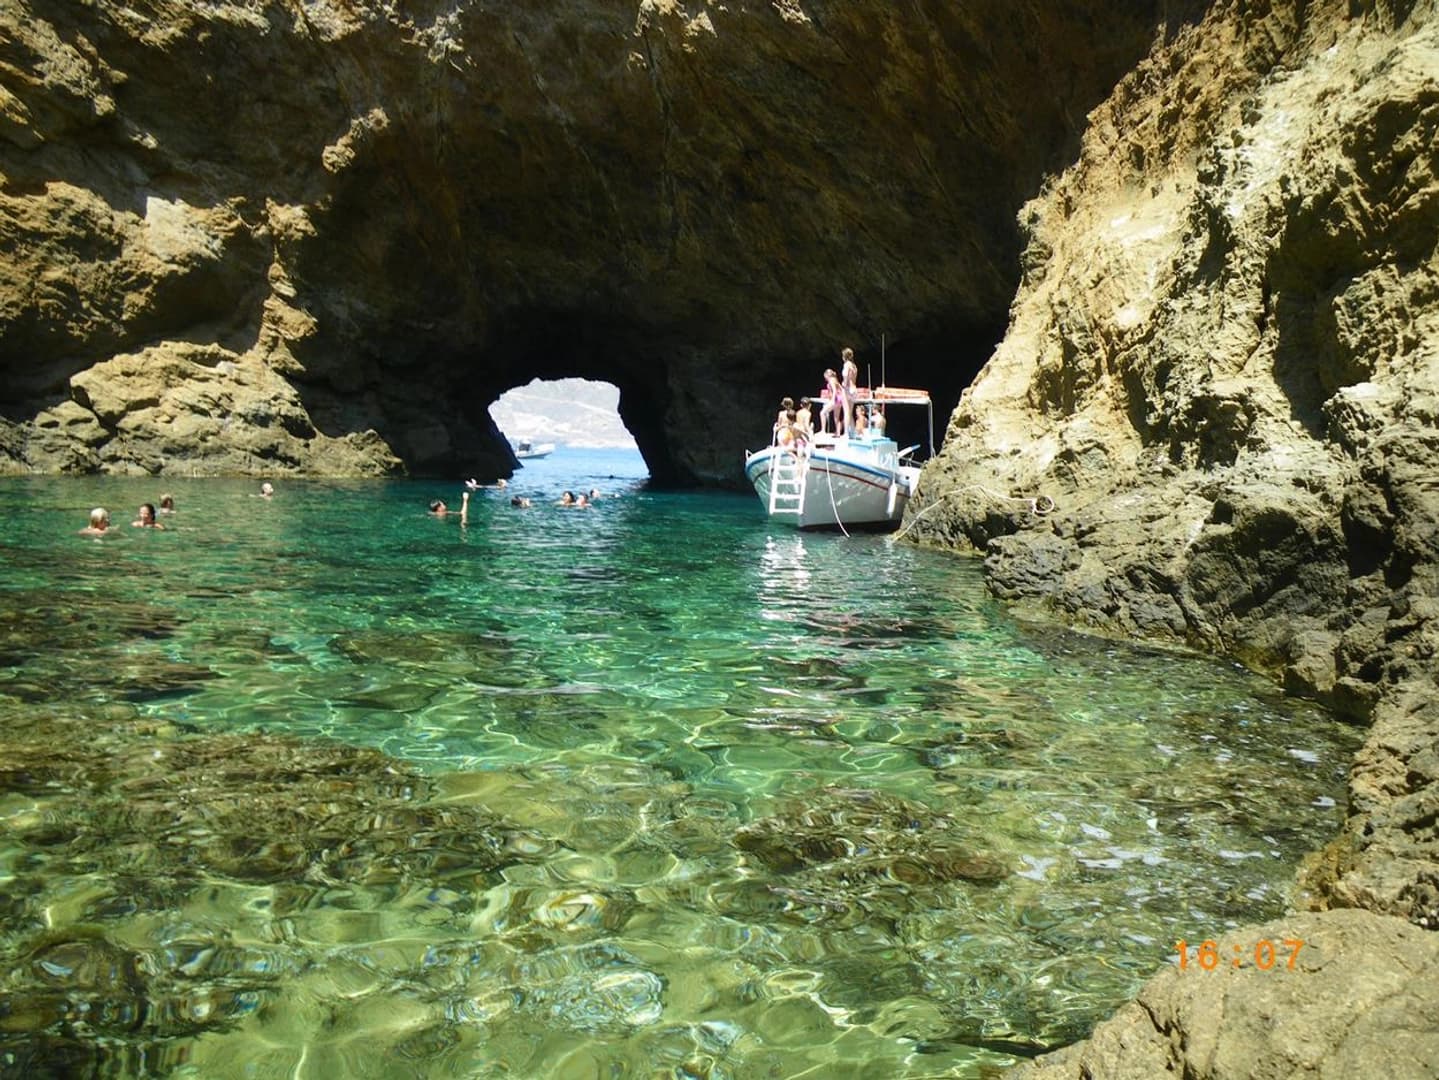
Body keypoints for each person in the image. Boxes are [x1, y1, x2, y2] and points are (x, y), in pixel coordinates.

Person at [817, 368, 845, 435]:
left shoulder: (831, 380)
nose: (825, 379)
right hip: (839, 400)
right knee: (836, 418)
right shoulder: (836, 380)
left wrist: (833, 399)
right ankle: (838, 432)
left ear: (827, 375)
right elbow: (842, 389)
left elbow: (834, 390)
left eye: (825, 377)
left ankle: (823, 430)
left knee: (822, 413)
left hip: (835, 400)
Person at [840, 347, 860, 436]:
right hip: (854, 389)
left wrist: (843, 385)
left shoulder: (847, 364)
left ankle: (846, 433)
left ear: (844, 356)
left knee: (846, 411)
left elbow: (845, 375)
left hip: (847, 389)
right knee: (850, 412)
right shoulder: (854, 366)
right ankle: (853, 432)